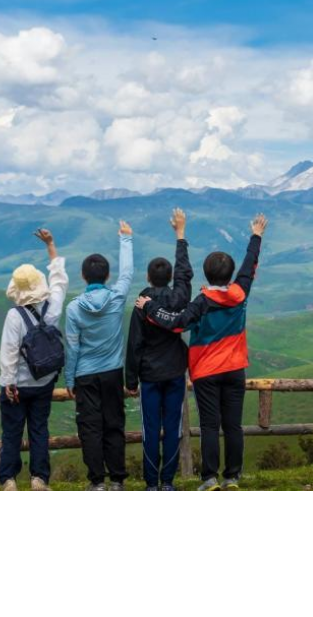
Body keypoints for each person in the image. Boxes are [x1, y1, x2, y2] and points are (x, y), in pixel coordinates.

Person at [137, 213, 269, 492]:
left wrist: (148, 307)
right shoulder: (240, 293)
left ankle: (209, 479)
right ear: (229, 275)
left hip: (206, 372)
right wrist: (256, 235)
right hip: (235, 369)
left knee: (210, 426)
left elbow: (174, 324)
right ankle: (232, 477)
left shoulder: (201, 302)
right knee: (233, 425)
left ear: (207, 274)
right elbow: (249, 265)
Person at [126, 209, 193, 492]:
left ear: (148, 277)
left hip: (150, 375)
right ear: (169, 278)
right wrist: (180, 235)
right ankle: (168, 481)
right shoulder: (179, 298)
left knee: (151, 429)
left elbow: (134, 343)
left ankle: (152, 483)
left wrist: (130, 380)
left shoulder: (143, 303)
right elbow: (185, 274)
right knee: (173, 427)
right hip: (176, 371)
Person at [0, 229, 69, 492]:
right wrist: (51, 245)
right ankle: (39, 478)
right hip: (44, 381)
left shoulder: (14, 317)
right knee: (39, 429)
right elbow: (59, 279)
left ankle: (9, 479)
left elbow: (9, 353)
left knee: (12, 432)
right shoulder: (53, 305)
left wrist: (8, 382)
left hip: (18, 385)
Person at [66, 221, 134, 492]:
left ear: (84, 277)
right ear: (107, 277)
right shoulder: (116, 298)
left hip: (84, 375)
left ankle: (97, 482)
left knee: (90, 428)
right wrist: (125, 238)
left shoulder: (73, 309)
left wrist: (69, 378)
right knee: (114, 424)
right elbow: (127, 273)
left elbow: (72, 347)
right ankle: (117, 480)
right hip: (112, 372)